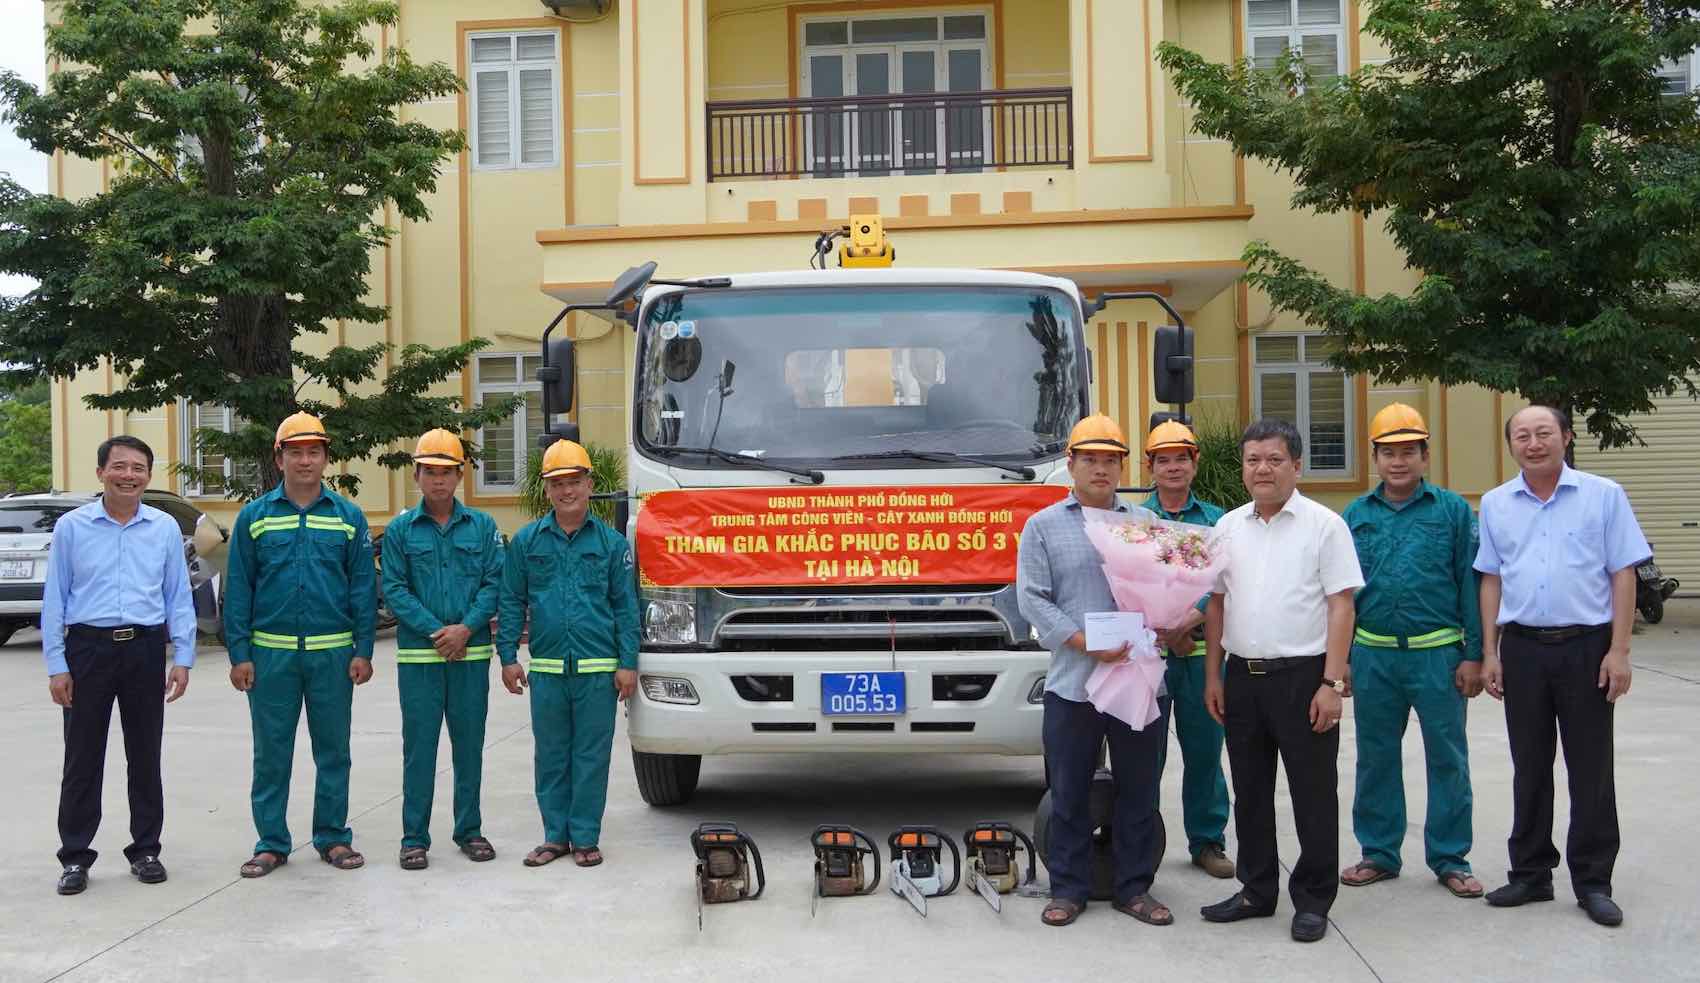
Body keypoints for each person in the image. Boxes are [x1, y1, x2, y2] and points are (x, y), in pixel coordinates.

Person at [1475, 405, 1648, 927]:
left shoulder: (1603, 496)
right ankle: (1530, 874)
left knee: (1591, 768)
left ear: (1566, 438)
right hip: (1524, 648)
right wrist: (1491, 651)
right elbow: (1492, 578)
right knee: (1529, 766)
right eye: (1522, 436)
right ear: (1511, 446)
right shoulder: (1496, 504)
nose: (1533, 443)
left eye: (1544, 433)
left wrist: (1619, 650)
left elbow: (1623, 573)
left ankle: (1593, 881)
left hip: (1587, 647)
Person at [1202, 418, 1363, 943]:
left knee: (1313, 792)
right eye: (1252, 460)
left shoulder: (1324, 525)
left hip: (1304, 679)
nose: (1262, 469)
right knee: (1249, 790)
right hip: (1242, 679)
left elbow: (1342, 605)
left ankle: (1313, 899)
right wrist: (1214, 674)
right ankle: (1256, 889)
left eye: (1274, 459)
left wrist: (1332, 684)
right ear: (1243, 468)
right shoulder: (1227, 527)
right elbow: (1217, 604)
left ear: (1296, 465)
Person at [1018, 414, 1173, 928]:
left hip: (1138, 681)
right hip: (1074, 683)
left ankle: (1134, 888)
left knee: (1139, 790)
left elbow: (1166, 590)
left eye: (1110, 460)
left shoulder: (1145, 525)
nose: (1101, 469)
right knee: (1068, 791)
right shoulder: (1042, 527)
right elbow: (1033, 600)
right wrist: (1086, 643)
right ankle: (1067, 888)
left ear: (1122, 467)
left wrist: (1173, 618)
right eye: (1091, 459)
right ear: (1071, 464)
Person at [1339, 404, 1485, 898]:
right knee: (1375, 757)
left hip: (1438, 655)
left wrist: (1475, 654)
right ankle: (1378, 851)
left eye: (1408, 452)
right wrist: (1340, 662)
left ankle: (1450, 856)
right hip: (1373, 655)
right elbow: (1341, 594)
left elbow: (1470, 581)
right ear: (1375, 458)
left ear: (1426, 456)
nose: (1398, 462)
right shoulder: (1356, 515)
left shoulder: (1453, 511)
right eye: (1388, 452)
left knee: (1448, 758)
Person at [42, 435, 197, 896]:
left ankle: (146, 849)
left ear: (148, 476)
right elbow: (55, 599)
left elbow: (177, 596)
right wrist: (57, 664)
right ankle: (75, 857)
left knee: (145, 754)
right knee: (82, 757)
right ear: (101, 472)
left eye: (138, 469)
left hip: (145, 650)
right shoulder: (72, 528)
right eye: (120, 467)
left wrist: (182, 656)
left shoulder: (164, 527)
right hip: (87, 649)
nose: (129, 475)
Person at [225, 412, 376, 878]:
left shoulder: (348, 518)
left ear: (326, 457)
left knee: (333, 750)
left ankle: (332, 836)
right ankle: (271, 842)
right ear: (279, 458)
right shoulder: (255, 518)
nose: (305, 460)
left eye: (313, 451)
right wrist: (240, 654)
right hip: (272, 656)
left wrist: (363, 649)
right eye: (295, 452)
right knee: (272, 751)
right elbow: (239, 590)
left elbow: (362, 589)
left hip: (333, 655)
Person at [498, 439, 639, 869]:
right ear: (547, 490)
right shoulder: (526, 543)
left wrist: (627, 663)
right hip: (548, 671)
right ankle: (554, 837)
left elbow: (625, 606)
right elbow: (510, 601)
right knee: (552, 755)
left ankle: (585, 838)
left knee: (591, 757)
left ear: (589, 484)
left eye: (574, 482)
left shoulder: (613, 546)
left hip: (598, 672)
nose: (567, 491)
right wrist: (507, 656)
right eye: (557, 484)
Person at [381, 429, 505, 870]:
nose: (438, 481)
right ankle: (414, 837)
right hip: (421, 659)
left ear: (459, 475)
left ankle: (468, 830)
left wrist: (467, 629)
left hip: (470, 657)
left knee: (469, 746)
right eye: (430, 472)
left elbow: (496, 583)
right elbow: (394, 588)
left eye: (446, 472)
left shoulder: (484, 527)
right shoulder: (399, 530)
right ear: (416, 475)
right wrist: (438, 632)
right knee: (419, 748)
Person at [1141, 420, 1235, 880]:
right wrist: (1164, 629)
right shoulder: (1134, 520)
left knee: (1204, 753)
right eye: (1164, 460)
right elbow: (1128, 584)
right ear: (1150, 467)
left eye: (1182, 458)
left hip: (1201, 656)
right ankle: (1140, 842)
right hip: (1151, 658)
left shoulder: (1219, 521)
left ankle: (1207, 841)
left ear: (1195, 464)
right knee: (1144, 756)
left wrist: (1186, 622)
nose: (1173, 467)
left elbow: (1224, 585)